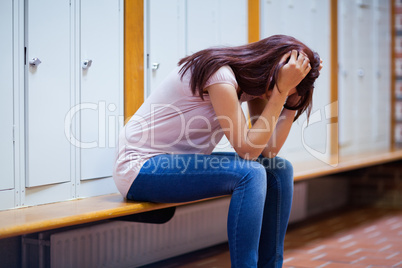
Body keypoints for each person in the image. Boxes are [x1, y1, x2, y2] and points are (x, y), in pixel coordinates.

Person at [113, 34, 322, 267]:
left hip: (176, 164)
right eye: (278, 86)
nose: (275, 95)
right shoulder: (220, 75)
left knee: (279, 170)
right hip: (141, 167)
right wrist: (280, 93)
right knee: (250, 173)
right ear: (270, 67)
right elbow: (248, 151)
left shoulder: (252, 86)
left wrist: (295, 95)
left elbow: (269, 151)